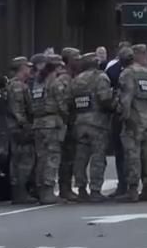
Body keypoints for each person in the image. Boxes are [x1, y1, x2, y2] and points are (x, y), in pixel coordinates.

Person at [117, 44, 147, 202]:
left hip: (134, 119)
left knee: (133, 156)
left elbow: (126, 98)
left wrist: (123, 116)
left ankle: (132, 190)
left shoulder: (127, 73)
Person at [70, 53, 114, 202]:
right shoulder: (100, 77)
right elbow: (105, 99)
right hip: (97, 123)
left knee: (80, 158)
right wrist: (114, 106)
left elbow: (70, 101)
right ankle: (95, 190)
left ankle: (81, 189)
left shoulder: (76, 80)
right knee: (97, 157)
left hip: (80, 123)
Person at [29, 53, 69, 204]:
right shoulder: (55, 83)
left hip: (38, 124)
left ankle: (41, 190)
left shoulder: (38, 83)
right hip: (52, 123)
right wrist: (66, 117)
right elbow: (62, 105)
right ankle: (48, 191)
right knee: (52, 157)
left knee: (41, 158)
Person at [5, 56, 35, 204]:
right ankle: (20, 193)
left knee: (17, 161)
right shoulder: (18, 86)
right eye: (27, 67)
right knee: (24, 161)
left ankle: (19, 192)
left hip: (16, 128)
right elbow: (18, 110)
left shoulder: (17, 85)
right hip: (19, 129)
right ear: (22, 69)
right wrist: (26, 126)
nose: (30, 70)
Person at [107, 45, 133, 195]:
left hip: (125, 116)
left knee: (125, 153)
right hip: (129, 117)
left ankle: (128, 186)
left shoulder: (117, 71)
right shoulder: (113, 70)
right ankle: (129, 186)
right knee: (127, 152)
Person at [57, 47, 82, 201]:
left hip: (73, 122)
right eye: (76, 58)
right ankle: (64, 188)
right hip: (65, 123)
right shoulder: (63, 80)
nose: (79, 60)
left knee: (70, 157)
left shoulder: (75, 77)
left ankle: (67, 187)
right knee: (65, 157)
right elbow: (62, 103)